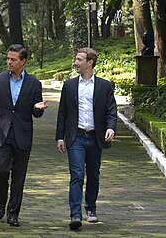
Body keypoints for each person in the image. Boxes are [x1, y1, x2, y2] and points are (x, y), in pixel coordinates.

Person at [0, 44, 48, 227]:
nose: (9, 62)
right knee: (0, 170)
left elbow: (35, 109)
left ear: (23, 61)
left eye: (13, 59)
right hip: (1, 133)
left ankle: (13, 213)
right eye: (8, 58)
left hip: (22, 134)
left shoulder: (33, 83)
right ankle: (1, 198)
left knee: (19, 176)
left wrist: (38, 109)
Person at [56, 47, 117, 230]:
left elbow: (111, 111)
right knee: (77, 175)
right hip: (76, 137)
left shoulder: (105, 86)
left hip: (95, 137)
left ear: (90, 62)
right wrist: (60, 137)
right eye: (76, 59)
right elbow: (62, 114)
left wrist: (111, 128)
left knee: (93, 175)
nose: (76, 63)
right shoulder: (69, 86)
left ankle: (91, 208)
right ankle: (75, 214)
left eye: (79, 60)